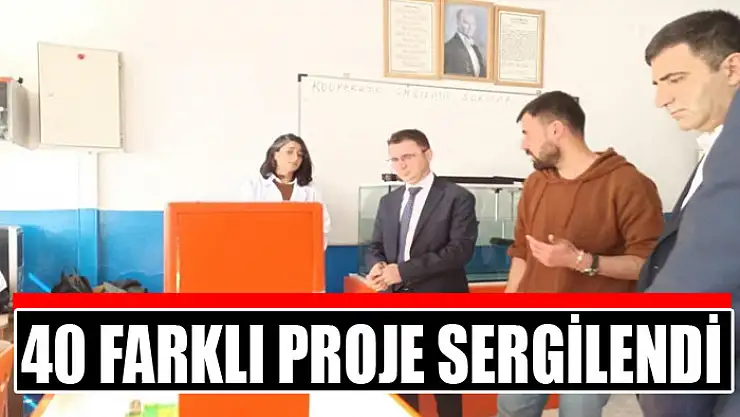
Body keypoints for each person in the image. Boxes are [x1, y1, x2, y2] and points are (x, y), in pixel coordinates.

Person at [497, 91, 665, 417]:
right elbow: (522, 252)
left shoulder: (629, 183)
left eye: (527, 133)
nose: (523, 144)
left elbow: (648, 264)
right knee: (511, 409)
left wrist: (581, 261)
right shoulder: (535, 183)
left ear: (556, 130)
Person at [637, 10, 740, 417]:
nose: (661, 99)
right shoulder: (716, 149)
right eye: (657, 84)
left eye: (676, 79)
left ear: (732, 68)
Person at [365, 128, 478, 417]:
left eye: (408, 156)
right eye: (394, 159)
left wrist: (402, 271)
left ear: (428, 154)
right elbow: (375, 246)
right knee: (403, 386)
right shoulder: (388, 202)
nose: (401, 165)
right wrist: (376, 265)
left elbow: (459, 251)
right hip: (397, 302)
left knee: (446, 387)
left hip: (442, 299)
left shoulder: (457, 197)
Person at [241, 133, 331, 249]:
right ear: (275, 154)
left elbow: (323, 227)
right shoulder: (253, 187)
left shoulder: (311, 190)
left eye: (300, 155)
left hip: (300, 252)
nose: (295, 158)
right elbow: (244, 225)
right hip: (261, 251)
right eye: (289, 152)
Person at [444, 8, 486, 77]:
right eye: (466, 23)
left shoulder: (475, 48)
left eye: (473, 24)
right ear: (458, 23)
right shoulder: (448, 48)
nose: (471, 27)